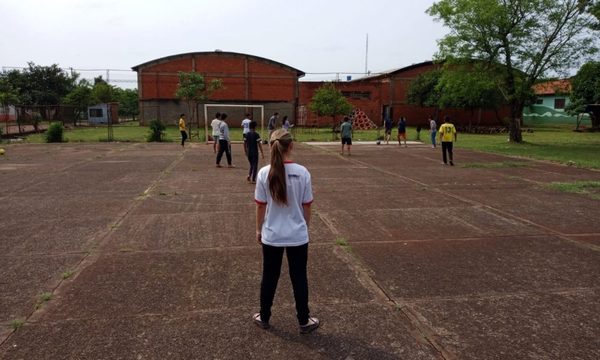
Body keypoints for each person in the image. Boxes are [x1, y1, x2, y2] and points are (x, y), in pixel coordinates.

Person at [253, 129, 320, 334]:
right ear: (291, 146)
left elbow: (260, 206)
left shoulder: (264, 173)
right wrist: (303, 228)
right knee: (299, 277)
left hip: (272, 235)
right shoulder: (302, 172)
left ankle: (264, 316)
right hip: (297, 235)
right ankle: (303, 320)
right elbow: (307, 205)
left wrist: (258, 229)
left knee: (269, 276)